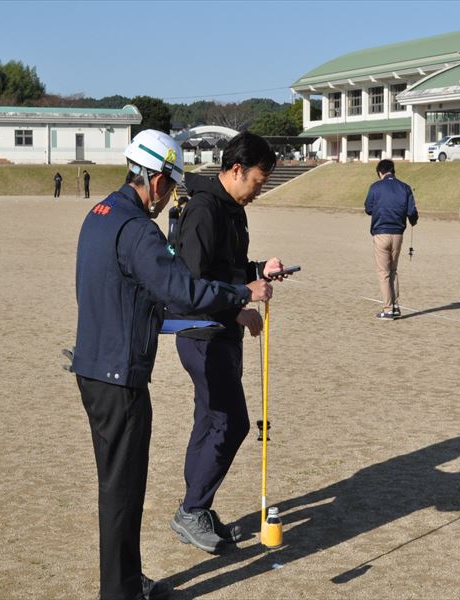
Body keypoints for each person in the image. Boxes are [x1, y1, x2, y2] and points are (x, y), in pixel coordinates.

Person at [71, 129, 272, 600]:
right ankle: (120, 592)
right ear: (157, 180)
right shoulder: (138, 227)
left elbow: (136, 290)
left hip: (95, 364)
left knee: (118, 488)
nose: (166, 201)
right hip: (118, 374)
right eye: (169, 187)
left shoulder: (99, 212)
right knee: (123, 492)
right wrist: (244, 292)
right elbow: (182, 289)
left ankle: (122, 581)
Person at [170, 132, 286, 553]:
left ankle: (198, 506)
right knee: (231, 421)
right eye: (257, 180)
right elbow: (192, 283)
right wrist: (241, 299)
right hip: (201, 333)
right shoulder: (203, 210)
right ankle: (191, 509)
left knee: (210, 420)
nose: (259, 189)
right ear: (236, 170)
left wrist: (260, 270)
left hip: (222, 329)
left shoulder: (232, 209)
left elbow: (229, 268)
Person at [364, 159, 418, 320]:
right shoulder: (405, 187)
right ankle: (395, 305)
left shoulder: (375, 187)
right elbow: (412, 212)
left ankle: (388, 309)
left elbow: (368, 208)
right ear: (393, 171)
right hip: (398, 234)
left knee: (383, 272)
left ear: (380, 172)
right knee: (393, 270)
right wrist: (413, 221)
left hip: (381, 233)